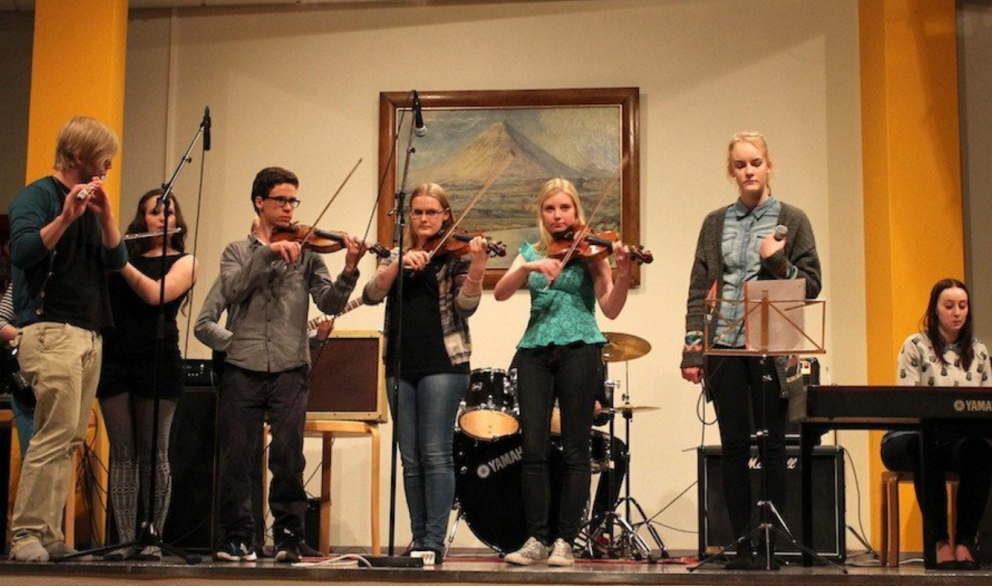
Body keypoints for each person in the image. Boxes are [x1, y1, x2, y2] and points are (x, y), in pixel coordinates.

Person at [204, 166, 365, 563]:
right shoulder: (235, 252)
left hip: (291, 367)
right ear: (260, 202)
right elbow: (235, 287)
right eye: (282, 200)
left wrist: (349, 268)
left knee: (289, 457)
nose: (290, 208)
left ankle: (289, 536)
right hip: (243, 366)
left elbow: (329, 302)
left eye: (294, 200)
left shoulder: (308, 251)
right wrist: (267, 253)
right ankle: (238, 537)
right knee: (238, 457)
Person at [680, 132, 821, 570]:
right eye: (740, 164)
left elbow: (812, 284)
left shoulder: (792, 219)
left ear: (769, 166)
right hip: (725, 344)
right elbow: (699, 287)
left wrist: (777, 261)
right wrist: (692, 349)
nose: (749, 171)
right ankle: (742, 543)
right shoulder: (714, 222)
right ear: (732, 171)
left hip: (774, 347)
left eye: (755, 162)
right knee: (734, 446)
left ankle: (770, 545)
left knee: (775, 445)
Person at [493, 177, 632, 566]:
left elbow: (611, 308)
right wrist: (531, 266)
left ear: (576, 211)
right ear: (542, 214)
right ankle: (536, 538)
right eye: (550, 209)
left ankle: (565, 541)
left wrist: (622, 272)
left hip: (581, 349)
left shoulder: (592, 253)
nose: (558, 215)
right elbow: (502, 292)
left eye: (565, 208)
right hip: (534, 350)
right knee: (533, 448)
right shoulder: (532, 252)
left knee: (575, 449)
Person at [7, 116, 127, 562]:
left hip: (89, 332)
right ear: (78, 156)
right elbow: (21, 252)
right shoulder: (36, 196)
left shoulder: (95, 203)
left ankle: (49, 532)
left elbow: (117, 258)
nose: (109, 164)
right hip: (49, 328)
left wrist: (107, 215)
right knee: (52, 434)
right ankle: (24, 536)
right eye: (103, 157)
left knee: (72, 438)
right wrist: (64, 218)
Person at [361, 182, 488, 564]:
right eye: (417, 212)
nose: (424, 219)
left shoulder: (457, 256)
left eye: (432, 212)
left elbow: (466, 307)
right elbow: (371, 293)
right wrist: (399, 263)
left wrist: (478, 266)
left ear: (446, 215)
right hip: (400, 363)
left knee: (435, 454)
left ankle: (434, 539)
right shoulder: (398, 254)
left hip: (444, 363)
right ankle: (418, 539)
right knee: (410, 458)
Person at [97, 189, 198, 561]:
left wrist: (121, 262)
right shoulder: (122, 252)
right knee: (123, 454)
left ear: (177, 220)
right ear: (142, 218)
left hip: (157, 360)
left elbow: (157, 295)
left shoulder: (186, 261)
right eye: (154, 212)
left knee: (154, 453)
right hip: (114, 358)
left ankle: (152, 539)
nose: (161, 217)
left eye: (168, 211)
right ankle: (125, 540)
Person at [881, 279, 992, 570]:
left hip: (955, 440)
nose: (957, 312)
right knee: (924, 446)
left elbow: (984, 405)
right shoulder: (915, 345)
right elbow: (909, 405)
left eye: (963, 306)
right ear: (935, 310)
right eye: (949, 306)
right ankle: (939, 542)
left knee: (979, 450)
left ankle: (965, 542)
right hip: (908, 438)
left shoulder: (978, 351)